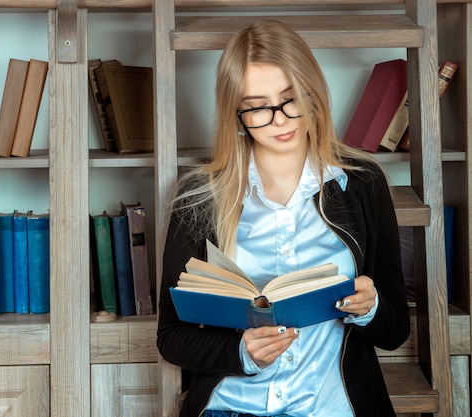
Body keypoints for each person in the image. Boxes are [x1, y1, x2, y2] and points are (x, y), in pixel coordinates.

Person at [157, 20, 410, 417]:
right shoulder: (200, 197)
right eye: (257, 107)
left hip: (333, 407)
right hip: (231, 408)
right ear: (236, 114)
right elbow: (171, 337)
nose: (278, 118)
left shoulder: (362, 183)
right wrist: (241, 353)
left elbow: (397, 332)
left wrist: (372, 307)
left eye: (291, 99)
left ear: (315, 92)